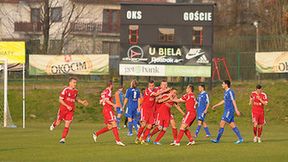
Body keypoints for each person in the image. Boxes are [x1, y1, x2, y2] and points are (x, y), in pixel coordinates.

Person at [50, 77, 88, 144]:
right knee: (58, 122)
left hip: (71, 110)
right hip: (63, 109)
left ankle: (63, 139)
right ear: (69, 83)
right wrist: (67, 106)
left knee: (67, 124)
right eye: (74, 82)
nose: (75, 84)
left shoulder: (76, 91)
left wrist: (82, 102)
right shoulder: (66, 90)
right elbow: (60, 100)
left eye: (76, 83)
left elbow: (76, 98)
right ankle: (54, 124)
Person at [92, 81, 125, 146]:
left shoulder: (104, 91)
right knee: (114, 124)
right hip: (108, 109)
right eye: (112, 85)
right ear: (111, 85)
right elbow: (107, 100)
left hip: (105, 109)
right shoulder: (108, 91)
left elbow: (100, 101)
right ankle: (118, 141)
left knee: (110, 126)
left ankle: (96, 134)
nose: (113, 86)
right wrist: (113, 105)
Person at [211, 80, 244, 144]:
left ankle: (217, 140)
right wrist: (216, 105)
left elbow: (233, 101)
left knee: (222, 123)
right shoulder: (226, 92)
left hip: (229, 110)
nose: (222, 85)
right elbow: (224, 101)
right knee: (232, 125)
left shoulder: (230, 92)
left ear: (226, 85)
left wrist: (236, 110)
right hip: (227, 110)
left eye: (223, 84)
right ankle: (240, 139)